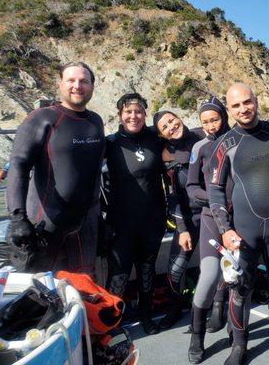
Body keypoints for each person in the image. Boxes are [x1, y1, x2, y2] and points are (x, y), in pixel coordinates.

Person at [209, 83, 269, 365]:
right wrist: (225, 229)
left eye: (247, 102)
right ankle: (239, 346)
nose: (243, 109)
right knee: (240, 290)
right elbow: (215, 190)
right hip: (244, 230)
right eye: (236, 105)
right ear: (229, 109)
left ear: (256, 101)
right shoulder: (225, 144)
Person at [6, 61, 105, 274]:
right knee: (41, 291)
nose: (77, 86)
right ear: (60, 84)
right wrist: (17, 217)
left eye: (84, 81)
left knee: (85, 287)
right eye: (71, 80)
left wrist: (100, 214)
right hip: (47, 222)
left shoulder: (96, 121)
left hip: (86, 223)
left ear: (92, 86)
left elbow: (95, 171)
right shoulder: (42, 118)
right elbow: (18, 166)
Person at [105, 93, 166, 335]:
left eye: (138, 111)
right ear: (120, 115)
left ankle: (146, 317)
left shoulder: (155, 137)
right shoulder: (110, 143)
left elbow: (182, 142)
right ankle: (109, 325)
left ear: (145, 114)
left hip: (152, 220)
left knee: (147, 272)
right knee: (118, 276)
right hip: (121, 223)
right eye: (128, 112)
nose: (134, 116)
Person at [185, 96, 231, 363]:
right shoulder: (200, 148)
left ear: (223, 117)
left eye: (215, 119)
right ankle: (197, 335)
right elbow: (191, 188)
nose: (211, 125)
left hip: (239, 220)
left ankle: (233, 327)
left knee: (236, 277)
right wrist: (217, 200)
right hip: (212, 219)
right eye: (205, 122)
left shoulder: (238, 141)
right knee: (210, 274)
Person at [153, 109, 205, 328]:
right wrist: (182, 228)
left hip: (214, 215)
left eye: (172, 120)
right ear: (162, 135)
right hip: (189, 218)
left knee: (217, 267)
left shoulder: (202, 136)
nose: (171, 126)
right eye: (165, 127)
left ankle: (214, 308)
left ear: (180, 118)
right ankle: (175, 309)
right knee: (175, 268)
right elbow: (172, 196)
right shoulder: (168, 154)